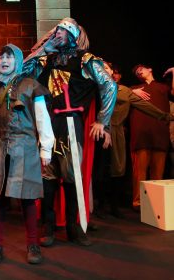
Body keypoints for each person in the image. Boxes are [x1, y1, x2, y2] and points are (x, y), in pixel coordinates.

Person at [22, 17, 117, 247]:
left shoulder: (86, 60)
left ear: (73, 34)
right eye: (56, 30)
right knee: (47, 175)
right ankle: (49, 227)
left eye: (63, 30)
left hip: (71, 123)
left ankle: (75, 228)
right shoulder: (47, 59)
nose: (57, 33)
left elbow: (109, 85)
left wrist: (102, 121)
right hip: (48, 123)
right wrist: (44, 49)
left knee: (71, 175)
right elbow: (23, 73)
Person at [0, 44, 54, 265]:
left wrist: (46, 148)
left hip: (25, 147)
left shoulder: (30, 85)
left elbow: (43, 118)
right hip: (0, 147)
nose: (4, 60)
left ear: (17, 60)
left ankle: (33, 244)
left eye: (9, 57)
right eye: (1, 57)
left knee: (27, 198)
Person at [95, 62, 173, 217]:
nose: (106, 71)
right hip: (100, 130)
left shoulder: (124, 91)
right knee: (101, 169)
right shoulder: (98, 88)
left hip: (118, 131)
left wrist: (166, 116)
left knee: (118, 169)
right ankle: (100, 206)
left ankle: (114, 206)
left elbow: (145, 106)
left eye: (108, 68)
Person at [129, 64, 174, 211]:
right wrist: (132, 92)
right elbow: (118, 93)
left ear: (150, 69)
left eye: (141, 69)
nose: (139, 72)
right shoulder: (135, 88)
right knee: (139, 172)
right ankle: (138, 202)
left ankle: (154, 202)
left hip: (159, 134)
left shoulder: (162, 87)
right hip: (141, 135)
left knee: (157, 173)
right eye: (136, 72)